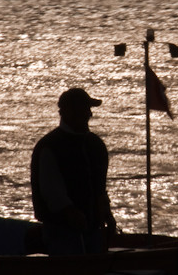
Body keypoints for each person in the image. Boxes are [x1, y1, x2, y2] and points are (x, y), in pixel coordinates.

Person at [30, 88, 117, 254]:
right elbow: (52, 191)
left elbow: (99, 188)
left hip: (92, 229)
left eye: (88, 110)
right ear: (68, 112)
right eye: (85, 109)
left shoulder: (96, 145)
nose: (89, 114)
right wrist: (70, 212)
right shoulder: (50, 146)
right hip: (61, 231)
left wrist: (107, 214)